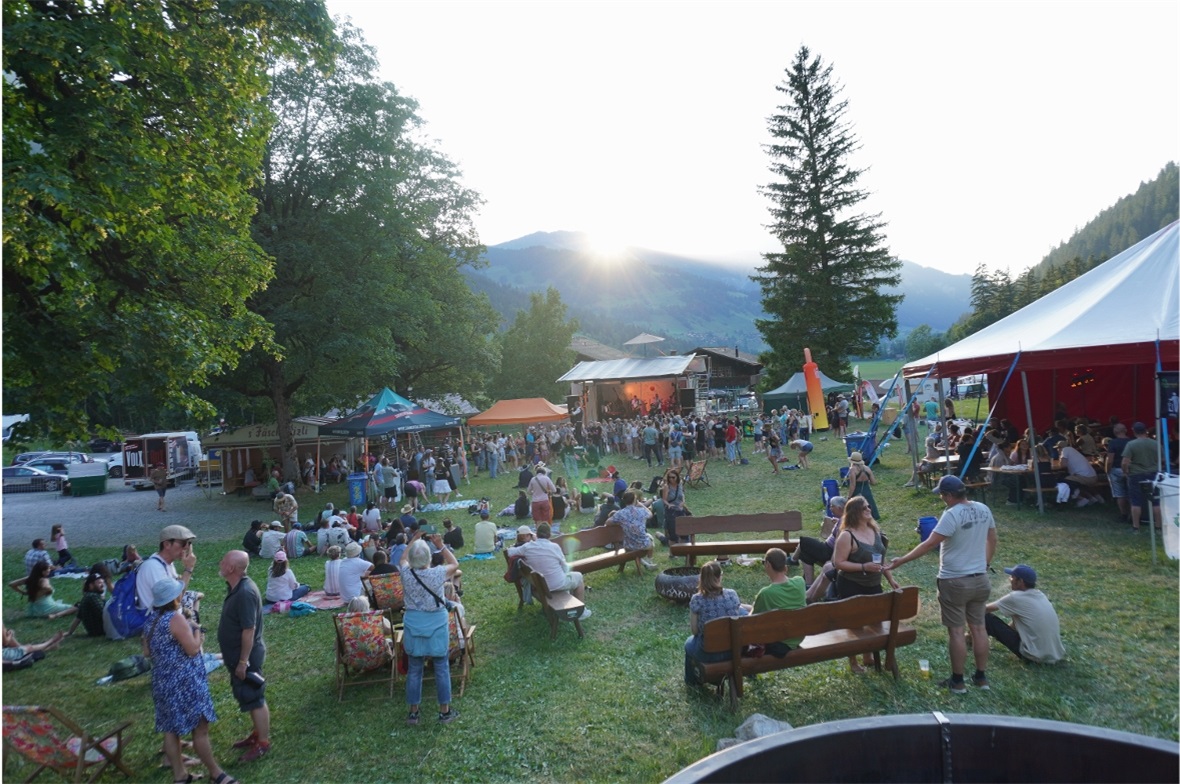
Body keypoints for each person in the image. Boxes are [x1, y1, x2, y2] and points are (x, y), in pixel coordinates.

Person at [889, 475, 997, 694]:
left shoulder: (952, 514)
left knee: (957, 632)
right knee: (979, 628)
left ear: (948, 495)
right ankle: (981, 678)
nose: (941, 498)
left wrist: (900, 561)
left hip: (954, 580)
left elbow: (929, 544)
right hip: (980, 580)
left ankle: (958, 682)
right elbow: (992, 540)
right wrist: (985, 563)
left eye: (941, 494)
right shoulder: (984, 509)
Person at [145, 576, 237, 784]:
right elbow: (193, 650)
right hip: (185, 682)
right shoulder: (176, 619)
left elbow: (146, 651)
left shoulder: (151, 620)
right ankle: (216, 774)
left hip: (162, 681)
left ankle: (180, 776)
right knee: (200, 728)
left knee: (171, 729)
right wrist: (199, 635)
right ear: (175, 597)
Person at [831, 496, 900, 672]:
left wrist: (891, 579)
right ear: (855, 513)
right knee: (854, 624)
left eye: (869, 507)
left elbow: (881, 561)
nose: (869, 509)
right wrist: (863, 566)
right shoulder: (847, 535)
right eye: (864, 508)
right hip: (851, 584)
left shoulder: (875, 531)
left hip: (874, 583)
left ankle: (868, 656)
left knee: (875, 621)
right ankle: (853, 662)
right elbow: (838, 563)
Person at [399, 536, 461, 725]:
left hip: (413, 623)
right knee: (441, 667)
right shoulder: (437, 574)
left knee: (415, 669)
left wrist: (413, 539)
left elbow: (402, 559)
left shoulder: (406, 573)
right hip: (436, 623)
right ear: (428, 558)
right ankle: (444, 712)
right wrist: (441, 545)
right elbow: (455, 563)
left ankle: (413, 713)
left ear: (412, 559)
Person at [216, 551, 270, 764]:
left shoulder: (245, 592)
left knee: (254, 697)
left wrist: (242, 662)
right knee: (247, 696)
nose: (220, 563)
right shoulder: (236, 588)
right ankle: (257, 733)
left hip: (246, 657)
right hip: (239, 656)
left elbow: (249, 629)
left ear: (231, 568)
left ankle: (263, 742)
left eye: (223, 561)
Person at [684, 560, 748, 685]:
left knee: (688, 643)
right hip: (733, 650)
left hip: (708, 653)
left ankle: (691, 682)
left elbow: (695, 631)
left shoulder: (697, 600)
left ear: (701, 578)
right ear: (720, 577)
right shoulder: (732, 595)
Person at [984, 564, 1064, 664]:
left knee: (985, 618)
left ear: (1020, 581)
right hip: (1054, 656)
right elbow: (1018, 622)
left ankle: (971, 640)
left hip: (1033, 656)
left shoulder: (1016, 597)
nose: (1010, 579)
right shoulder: (1040, 595)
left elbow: (982, 610)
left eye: (1012, 577)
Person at [507, 522, 586, 603]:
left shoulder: (526, 547)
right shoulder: (555, 547)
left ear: (536, 534)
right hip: (556, 584)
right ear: (550, 535)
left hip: (539, 585)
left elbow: (509, 552)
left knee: (567, 577)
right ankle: (580, 609)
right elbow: (565, 567)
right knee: (578, 577)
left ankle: (571, 604)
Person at [751, 548, 806, 657]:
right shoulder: (800, 581)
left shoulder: (766, 593)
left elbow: (750, 622)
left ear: (768, 564)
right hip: (797, 636)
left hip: (780, 642)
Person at [137, 525, 199, 620]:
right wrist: (188, 568)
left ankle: (194, 625)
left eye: (189, 543)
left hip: (165, 613)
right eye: (183, 543)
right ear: (167, 544)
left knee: (195, 598)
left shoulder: (165, 563)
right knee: (192, 607)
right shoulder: (154, 567)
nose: (186, 547)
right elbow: (175, 601)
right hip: (157, 620)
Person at [1122, 422, 1162, 532]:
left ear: (1134, 431)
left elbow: (1125, 462)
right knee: (1156, 501)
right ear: (1146, 431)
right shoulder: (1156, 444)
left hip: (1136, 474)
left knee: (1136, 501)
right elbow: (1162, 459)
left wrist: (1125, 472)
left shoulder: (1131, 444)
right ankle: (1158, 527)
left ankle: (1136, 527)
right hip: (1154, 474)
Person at [11, 561, 77, 619]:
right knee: (75, 608)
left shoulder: (29, 578)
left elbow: (12, 584)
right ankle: (55, 615)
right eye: (47, 569)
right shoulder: (44, 580)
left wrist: (23, 592)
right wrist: (49, 588)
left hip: (32, 611)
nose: (49, 570)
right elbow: (46, 587)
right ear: (42, 571)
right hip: (46, 609)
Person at [609, 491, 657, 569]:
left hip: (628, 545)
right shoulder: (641, 511)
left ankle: (646, 563)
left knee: (646, 538)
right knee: (650, 538)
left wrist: (619, 522)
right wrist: (641, 505)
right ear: (634, 500)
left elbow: (608, 522)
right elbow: (650, 514)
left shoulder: (620, 513)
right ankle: (649, 560)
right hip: (643, 544)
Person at [67, 564, 110, 637]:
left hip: (95, 632)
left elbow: (78, 618)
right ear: (91, 585)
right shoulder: (92, 597)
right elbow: (105, 614)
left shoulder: (87, 597)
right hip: (102, 631)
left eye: (102, 583)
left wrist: (69, 632)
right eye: (99, 583)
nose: (102, 585)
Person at [845, 451, 879, 519]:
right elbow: (874, 482)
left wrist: (849, 497)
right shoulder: (867, 468)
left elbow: (853, 485)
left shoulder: (852, 470)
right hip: (867, 491)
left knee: (857, 508)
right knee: (869, 505)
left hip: (857, 491)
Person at [660, 468, 688, 546]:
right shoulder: (667, 487)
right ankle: (672, 552)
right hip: (671, 511)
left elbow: (682, 494)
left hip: (680, 509)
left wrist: (683, 502)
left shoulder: (680, 484)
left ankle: (682, 549)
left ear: (677, 477)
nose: (671, 479)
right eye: (669, 477)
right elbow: (664, 499)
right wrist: (668, 505)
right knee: (673, 532)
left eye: (673, 477)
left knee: (683, 530)